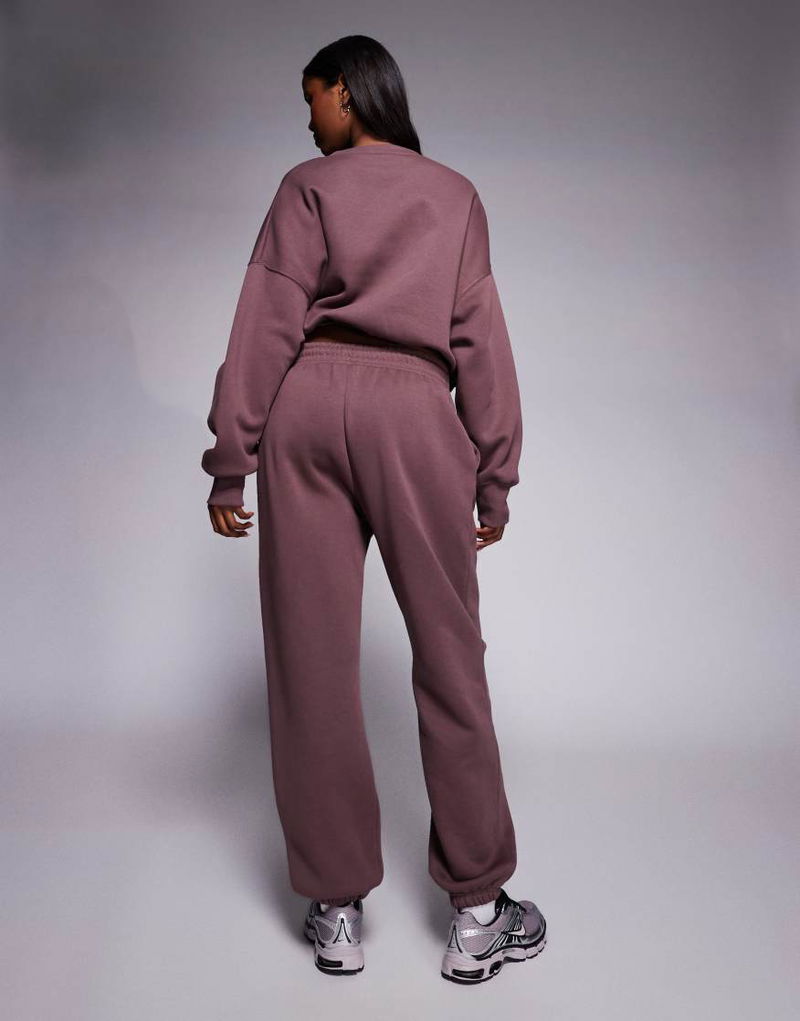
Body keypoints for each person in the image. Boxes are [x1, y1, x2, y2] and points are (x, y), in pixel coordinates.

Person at [201, 34, 547, 984]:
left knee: (310, 659)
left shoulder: (305, 189)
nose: (307, 118)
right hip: (413, 411)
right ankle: (479, 911)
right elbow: (480, 339)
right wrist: (495, 473)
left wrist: (232, 462)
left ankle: (335, 908)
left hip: (306, 407)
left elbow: (265, 322)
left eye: (312, 98)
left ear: (349, 94)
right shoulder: (455, 196)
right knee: (450, 653)